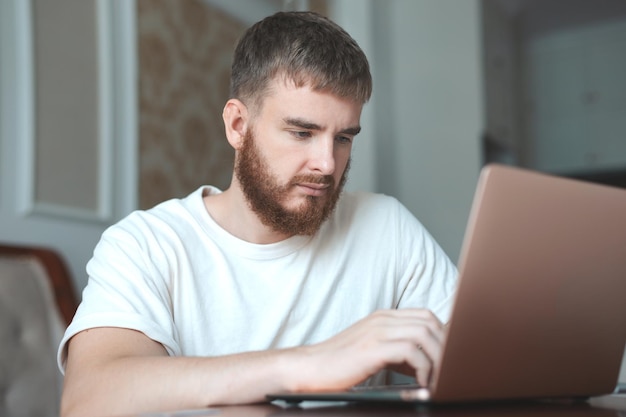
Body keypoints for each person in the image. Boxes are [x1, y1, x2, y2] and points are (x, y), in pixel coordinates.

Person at [58, 11, 457, 417]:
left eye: (342, 138)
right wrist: (309, 364)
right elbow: (88, 397)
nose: (327, 163)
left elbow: (478, 362)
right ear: (237, 125)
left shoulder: (387, 227)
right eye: (302, 132)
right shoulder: (146, 245)